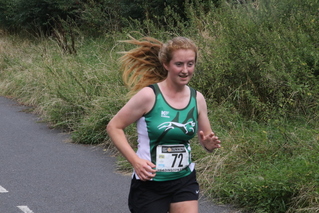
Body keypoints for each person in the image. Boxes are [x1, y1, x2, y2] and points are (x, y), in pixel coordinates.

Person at [106, 36, 221, 213]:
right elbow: (114, 126)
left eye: (190, 64)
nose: (185, 70)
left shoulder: (197, 99)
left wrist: (208, 145)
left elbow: (206, 138)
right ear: (166, 64)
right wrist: (135, 161)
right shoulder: (149, 96)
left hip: (184, 180)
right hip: (150, 183)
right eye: (179, 64)